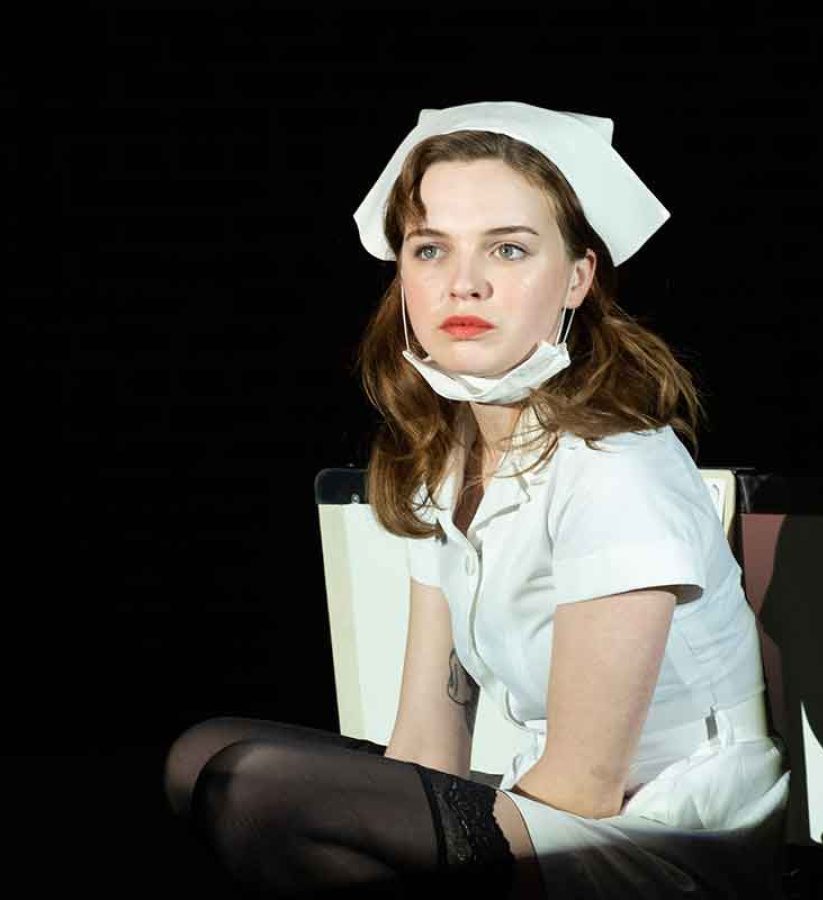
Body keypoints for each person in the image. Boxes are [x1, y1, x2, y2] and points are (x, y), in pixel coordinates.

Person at [162, 100, 789, 898]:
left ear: (576, 276)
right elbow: (429, 741)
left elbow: (587, 787)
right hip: (556, 802)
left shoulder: (617, 467)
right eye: (431, 249)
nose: (464, 282)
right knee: (203, 756)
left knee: (255, 791)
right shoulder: (447, 455)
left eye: (508, 248)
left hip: (663, 834)